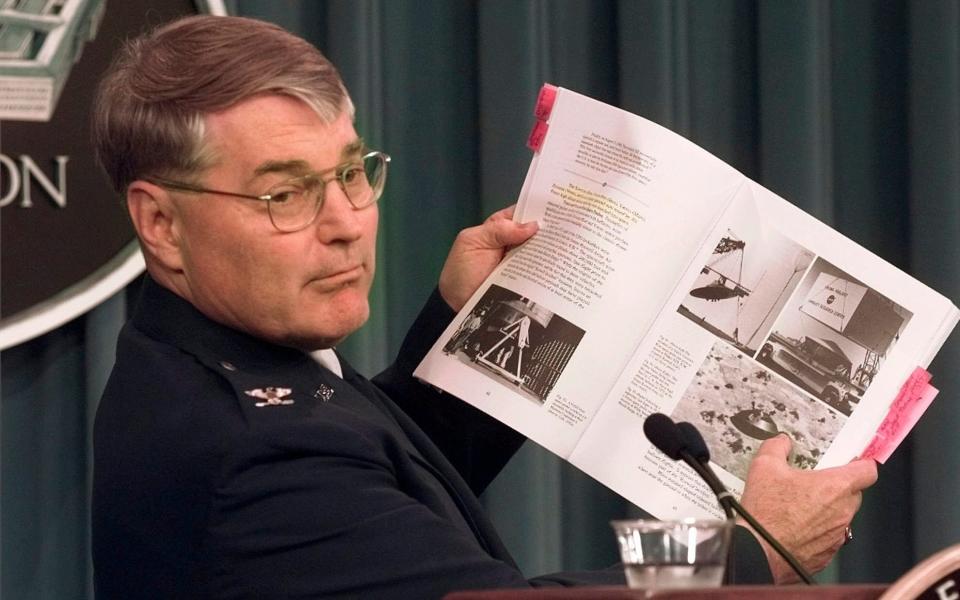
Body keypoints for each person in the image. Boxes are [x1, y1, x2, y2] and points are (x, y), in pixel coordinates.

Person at [91, 14, 878, 599]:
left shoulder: (212, 357)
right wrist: (745, 553)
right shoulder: (248, 452)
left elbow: (391, 481)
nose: (345, 225)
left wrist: (476, 323)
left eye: (352, 173)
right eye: (285, 194)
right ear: (161, 223)